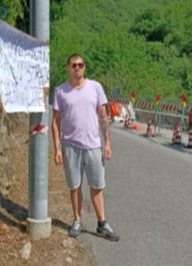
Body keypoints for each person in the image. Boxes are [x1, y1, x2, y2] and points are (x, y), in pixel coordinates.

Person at [51, 53, 120, 241]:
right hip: (70, 145)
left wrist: (107, 142)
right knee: (75, 185)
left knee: (97, 185)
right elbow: (55, 122)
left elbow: (103, 117)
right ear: (68, 67)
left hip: (93, 145)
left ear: (85, 67)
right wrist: (57, 148)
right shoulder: (61, 91)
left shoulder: (95, 87)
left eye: (80, 64)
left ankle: (102, 223)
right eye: (73, 65)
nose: (77, 68)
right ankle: (77, 220)